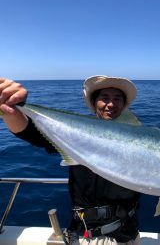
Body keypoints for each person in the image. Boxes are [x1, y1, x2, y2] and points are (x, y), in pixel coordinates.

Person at [0, 76, 141, 245]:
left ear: (124, 105)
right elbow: (29, 131)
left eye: (117, 99)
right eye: (104, 98)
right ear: (94, 103)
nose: (111, 104)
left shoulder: (140, 139)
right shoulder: (74, 134)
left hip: (126, 235)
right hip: (83, 236)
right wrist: (9, 109)